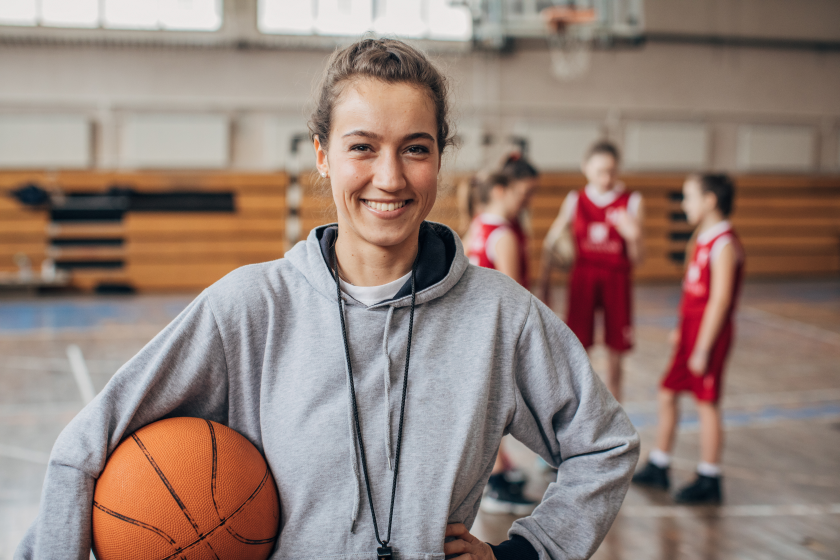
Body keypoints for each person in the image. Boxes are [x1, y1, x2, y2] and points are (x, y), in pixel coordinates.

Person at [16, 38, 639, 560]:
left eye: (415, 148)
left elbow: (604, 445)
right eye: (362, 146)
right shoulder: (251, 309)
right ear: (322, 155)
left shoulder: (501, 318)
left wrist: (527, 553)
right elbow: (81, 453)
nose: (390, 177)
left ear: (440, 159)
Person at [632, 174, 743, 504]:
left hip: (709, 335)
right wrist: (682, 330)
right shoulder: (703, 236)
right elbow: (693, 292)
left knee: (707, 403)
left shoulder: (724, 243)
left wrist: (703, 347)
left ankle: (710, 476)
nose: (685, 205)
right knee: (667, 392)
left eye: (689, 197)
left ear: (710, 200)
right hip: (691, 332)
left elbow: (719, 301)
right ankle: (660, 463)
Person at [463, 162, 540, 515]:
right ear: (501, 191)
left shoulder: (477, 226)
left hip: (473, 327)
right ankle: (493, 478)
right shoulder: (504, 234)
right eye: (521, 194)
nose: (526, 202)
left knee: (490, 404)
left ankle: (500, 467)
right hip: (497, 331)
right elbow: (515, 296)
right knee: (498, 406)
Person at [540, 141, 643, 402]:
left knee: (616, 353)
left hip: (616, 278)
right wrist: (545, 280)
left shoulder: (631, 201)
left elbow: (638, 259)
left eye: (611, 171)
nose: (606, 178)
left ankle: (616, 409)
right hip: (583, 276)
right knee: (577, 347)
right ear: (586, 168)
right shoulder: (576, 200)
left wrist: (634, 237)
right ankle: (580, 406)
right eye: (600, 171)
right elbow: (551, 243)